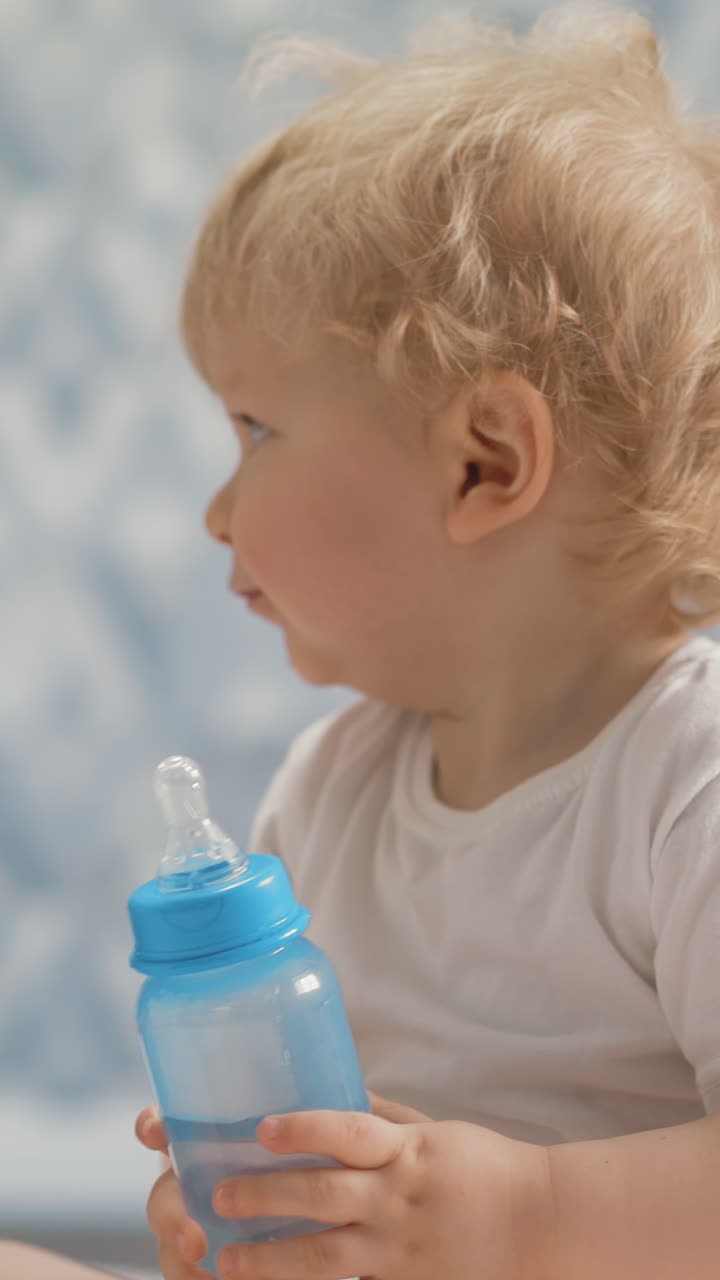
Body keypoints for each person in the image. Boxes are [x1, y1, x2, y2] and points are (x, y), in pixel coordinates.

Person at [8, 3, 720, 1277]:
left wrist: (522, 1212)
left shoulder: (687, 777)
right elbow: (339, 1168)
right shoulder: (330, 796)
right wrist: (241, 1213)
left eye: (256, 431)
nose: (218, 509)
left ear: (483, 464)